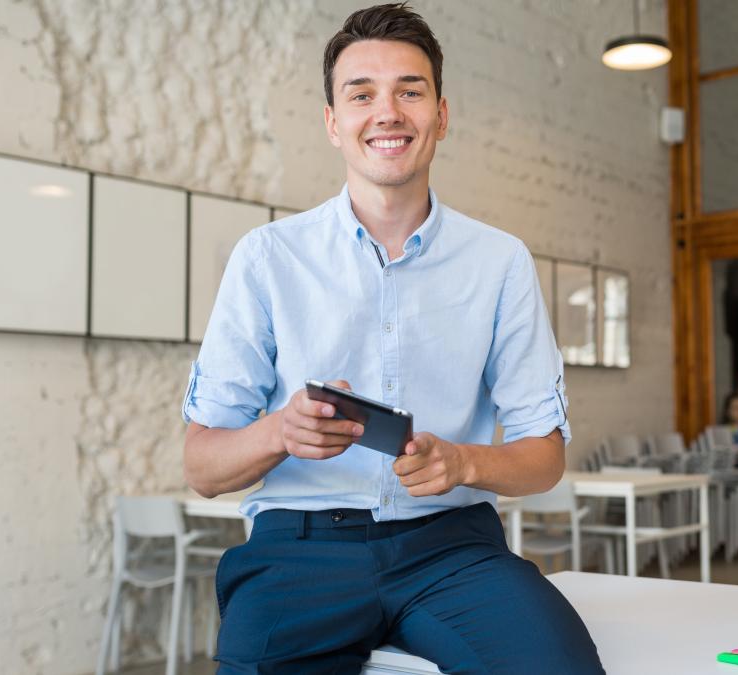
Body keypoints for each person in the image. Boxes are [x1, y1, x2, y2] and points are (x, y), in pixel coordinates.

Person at [180, 4, 604, 673]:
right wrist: (280, 432)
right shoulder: (266, 258)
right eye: (362, 94)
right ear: (332, 122)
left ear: (441, 114)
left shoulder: (499, 262)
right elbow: (202, 466)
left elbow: (543, 456)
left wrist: (463, 463)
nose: (388, 112)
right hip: (298, 550)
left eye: (410, 90)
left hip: (453, 549)